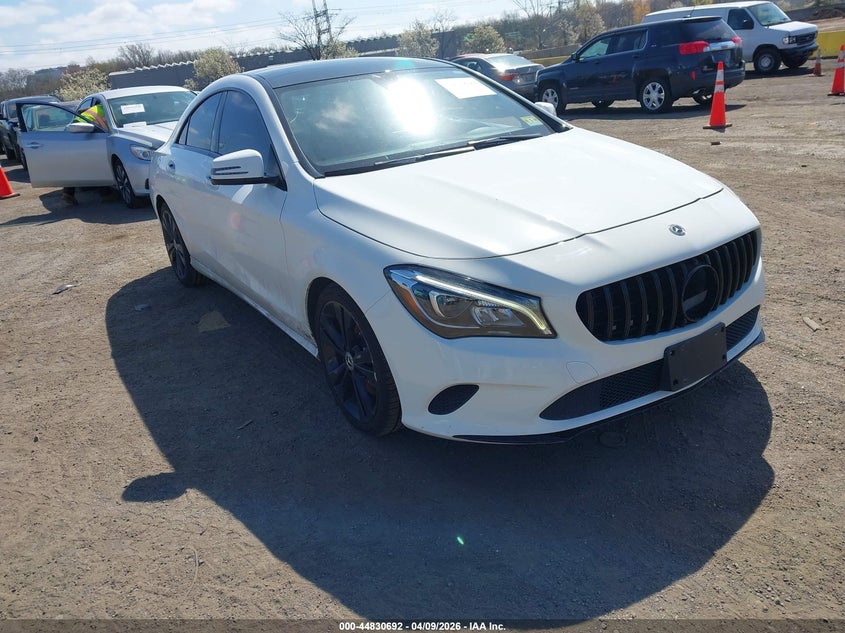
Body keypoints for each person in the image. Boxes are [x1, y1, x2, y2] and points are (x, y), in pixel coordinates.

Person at [62, 102, 117, 205]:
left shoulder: (94, 110)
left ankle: (68, 193)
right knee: (98, 164)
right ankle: (106, 194)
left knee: (76, 166)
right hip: (83, 134)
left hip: (75, 134)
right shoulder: (107, 109)